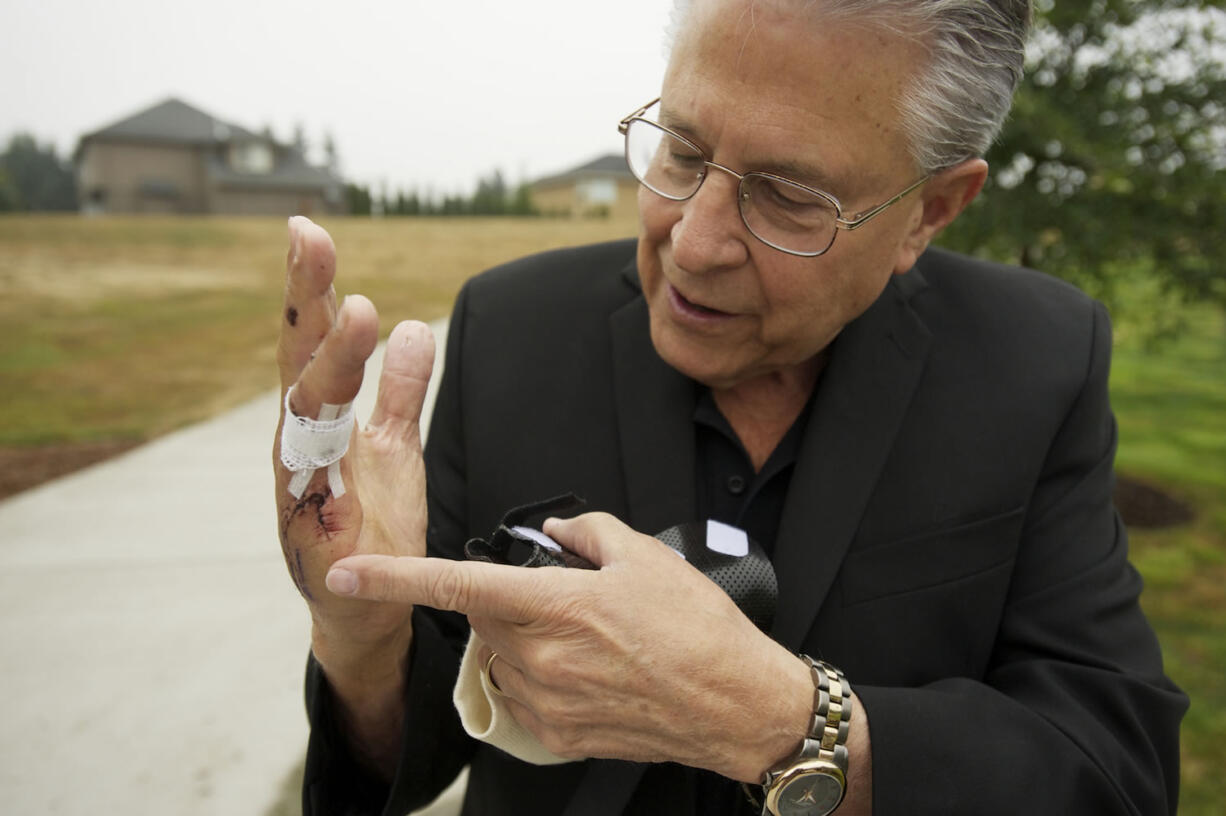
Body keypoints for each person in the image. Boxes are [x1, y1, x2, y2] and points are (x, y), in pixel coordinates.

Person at [273, 1, 1187, 814]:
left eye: (790, 198)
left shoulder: (1040, 358)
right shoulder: (509, 328)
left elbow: (1114, 766)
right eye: (682, 149)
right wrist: (362, 637)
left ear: (931, 212)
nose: (693, 240)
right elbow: (422, 748)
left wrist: (785, 724)